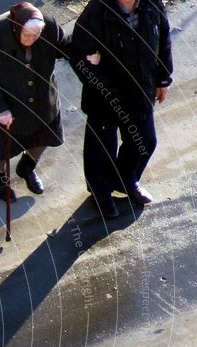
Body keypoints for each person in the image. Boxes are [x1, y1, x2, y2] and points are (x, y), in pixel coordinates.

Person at [70, 0, 173, 218]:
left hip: (140, 89)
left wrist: (163, 78)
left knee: (145, 140)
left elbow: (164, 38)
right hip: (104, 95)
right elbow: (78, 55)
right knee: (102, 147)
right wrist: (102, 85)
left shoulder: (152, 4)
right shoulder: (97, 10)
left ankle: (126, 180)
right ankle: (101, 194)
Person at [0, 2, 71, 202]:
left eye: (36, 36)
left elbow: (66, 46)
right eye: (27, 35)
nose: (32, 40)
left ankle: (27, 167)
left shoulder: (49, 26)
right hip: (8, 104)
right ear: (16, 28)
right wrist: (0, 108)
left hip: (42, 99)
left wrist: (87, 56)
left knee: (44, 136)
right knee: (2, 149)